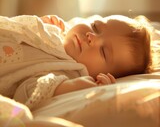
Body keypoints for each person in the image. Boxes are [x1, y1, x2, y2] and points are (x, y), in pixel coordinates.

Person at [0, 14, 152, 110]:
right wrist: (42, 24)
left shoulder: (69, 72)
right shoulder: (58, 32)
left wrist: (70, 87)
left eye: (103, 51)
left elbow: (25, 94)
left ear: (102, 74)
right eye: (96, 26)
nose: (92, 36)